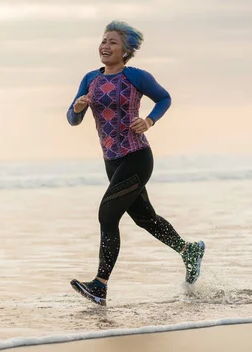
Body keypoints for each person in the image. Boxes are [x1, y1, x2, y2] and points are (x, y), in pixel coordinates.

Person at [66, 20, 205, 307]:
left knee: (107, 214)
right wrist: (78, 108)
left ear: (126, 50)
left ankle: (100, 285)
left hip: (137, 157)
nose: (105, 46)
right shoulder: (90, 78)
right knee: (145, 219)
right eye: (103, 41)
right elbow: (72, 118)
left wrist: (149, 120)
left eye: (113, 42)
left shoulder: (136, 77)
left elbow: (164, 98)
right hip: (112, 162)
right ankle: (188, 250)